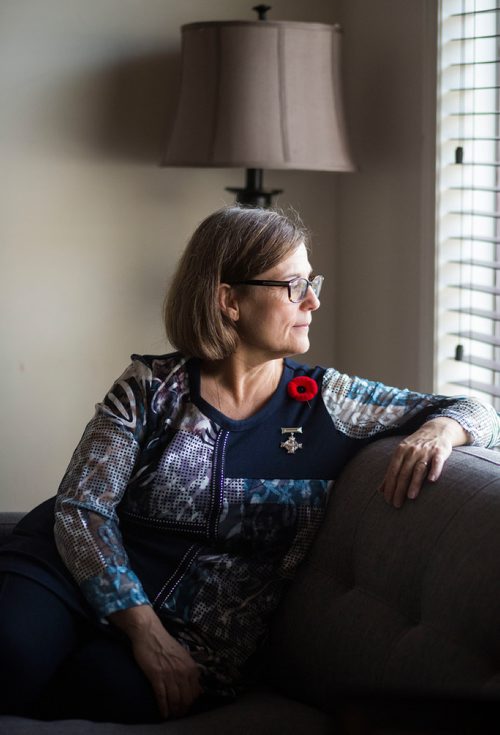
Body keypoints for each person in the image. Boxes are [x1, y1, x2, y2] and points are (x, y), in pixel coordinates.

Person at [0, 206, 498, 723]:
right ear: (229, 300)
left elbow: (478, 410)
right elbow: (83, 508)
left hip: (196, 633)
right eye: (293, 285)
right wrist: (141, 626)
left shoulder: (329, 402)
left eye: (313, 281)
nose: (314, 300)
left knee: (105, 691)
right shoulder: (149, 388)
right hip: (69, 573)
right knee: (14, 657)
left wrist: (441, 429)